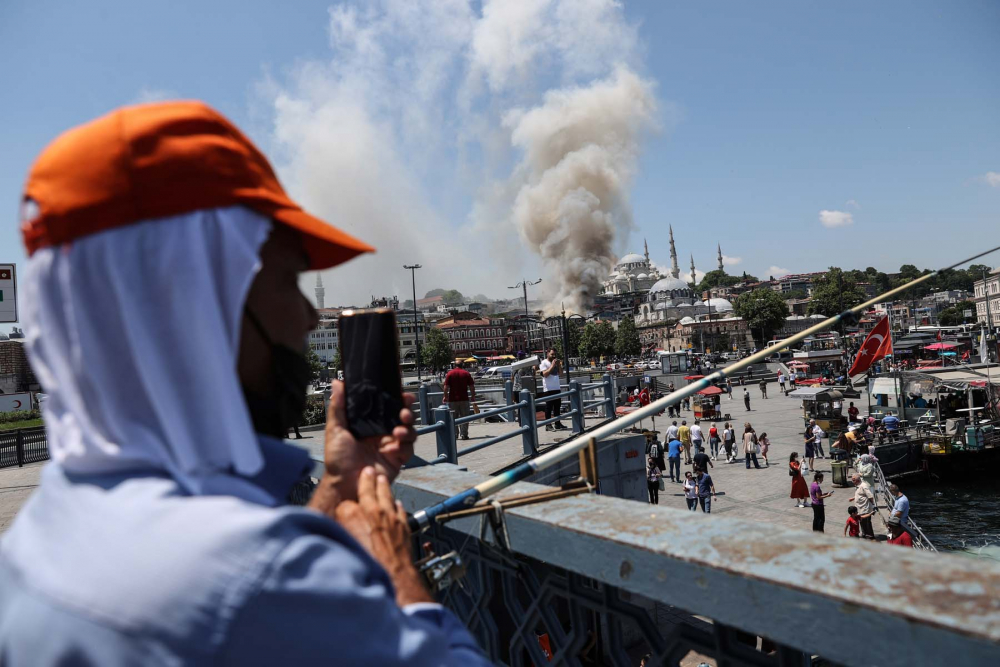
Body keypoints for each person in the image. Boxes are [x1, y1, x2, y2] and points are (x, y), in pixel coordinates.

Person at [0, 102, 487, 664]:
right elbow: (258, 589)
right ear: (197, 306)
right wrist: (397, 571)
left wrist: (337, 485)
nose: (309, 317)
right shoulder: (269, 581)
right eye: (287, 281)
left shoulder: (37, 537)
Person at [444, 360, 477, 440]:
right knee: (465, 417)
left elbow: (446, 387)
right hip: (464, 399)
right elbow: (472, 386)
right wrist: (473, 396)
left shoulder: (450, 374)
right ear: (462, 365)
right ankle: (464, 434)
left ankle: (455, 434)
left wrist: (445, 396)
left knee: (453, 418)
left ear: (454, 365)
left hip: (452, 399)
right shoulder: (466, 373)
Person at [539, 348, 566, 431]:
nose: (553, 356)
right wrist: (552, 366)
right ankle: (548, 425)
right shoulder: (544, 363)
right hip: (548, 389)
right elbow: (545, 374)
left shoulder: (556, 362)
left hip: (556, 387)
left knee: (557, 407)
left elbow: (561, 374)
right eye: (552, 354)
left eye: (554, 354)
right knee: (548, 408)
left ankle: (557, 423)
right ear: (547, 353)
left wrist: (559, 365)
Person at [848, 473, 877, 539]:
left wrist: (873, 506)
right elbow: (860, 494)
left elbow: (870, 496)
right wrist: (853, 498)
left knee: (866, 522)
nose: (852, 482)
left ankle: (870, 536)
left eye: (853, 480)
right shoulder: (857, 485)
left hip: (864, 508)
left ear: (858, 480)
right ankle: (864, 534)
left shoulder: (863, 486)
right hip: (859, 508)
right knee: (861, 522)